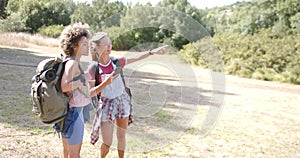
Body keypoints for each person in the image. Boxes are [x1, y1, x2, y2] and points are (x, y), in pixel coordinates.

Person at [88, 32, 167, 158]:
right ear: (97, 47)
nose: (109, 46)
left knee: (121, 136)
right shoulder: (93, 68)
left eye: (110, 44)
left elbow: (136, 57)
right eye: (105, 44)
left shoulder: (116, 61)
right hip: (106, 104)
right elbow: (90, 93)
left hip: (122, 101)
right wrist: (105, 83)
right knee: (107, 143)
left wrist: (153, 52)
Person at [59, 23, 91, 158]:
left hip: (72, 111)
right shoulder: (72, 63)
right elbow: (64, 86)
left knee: (67, 152)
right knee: (74, 154)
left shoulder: (70, 61)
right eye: (84, 44)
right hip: (74, 112)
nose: (87, 46)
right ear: (74, 46)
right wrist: (83, 80)